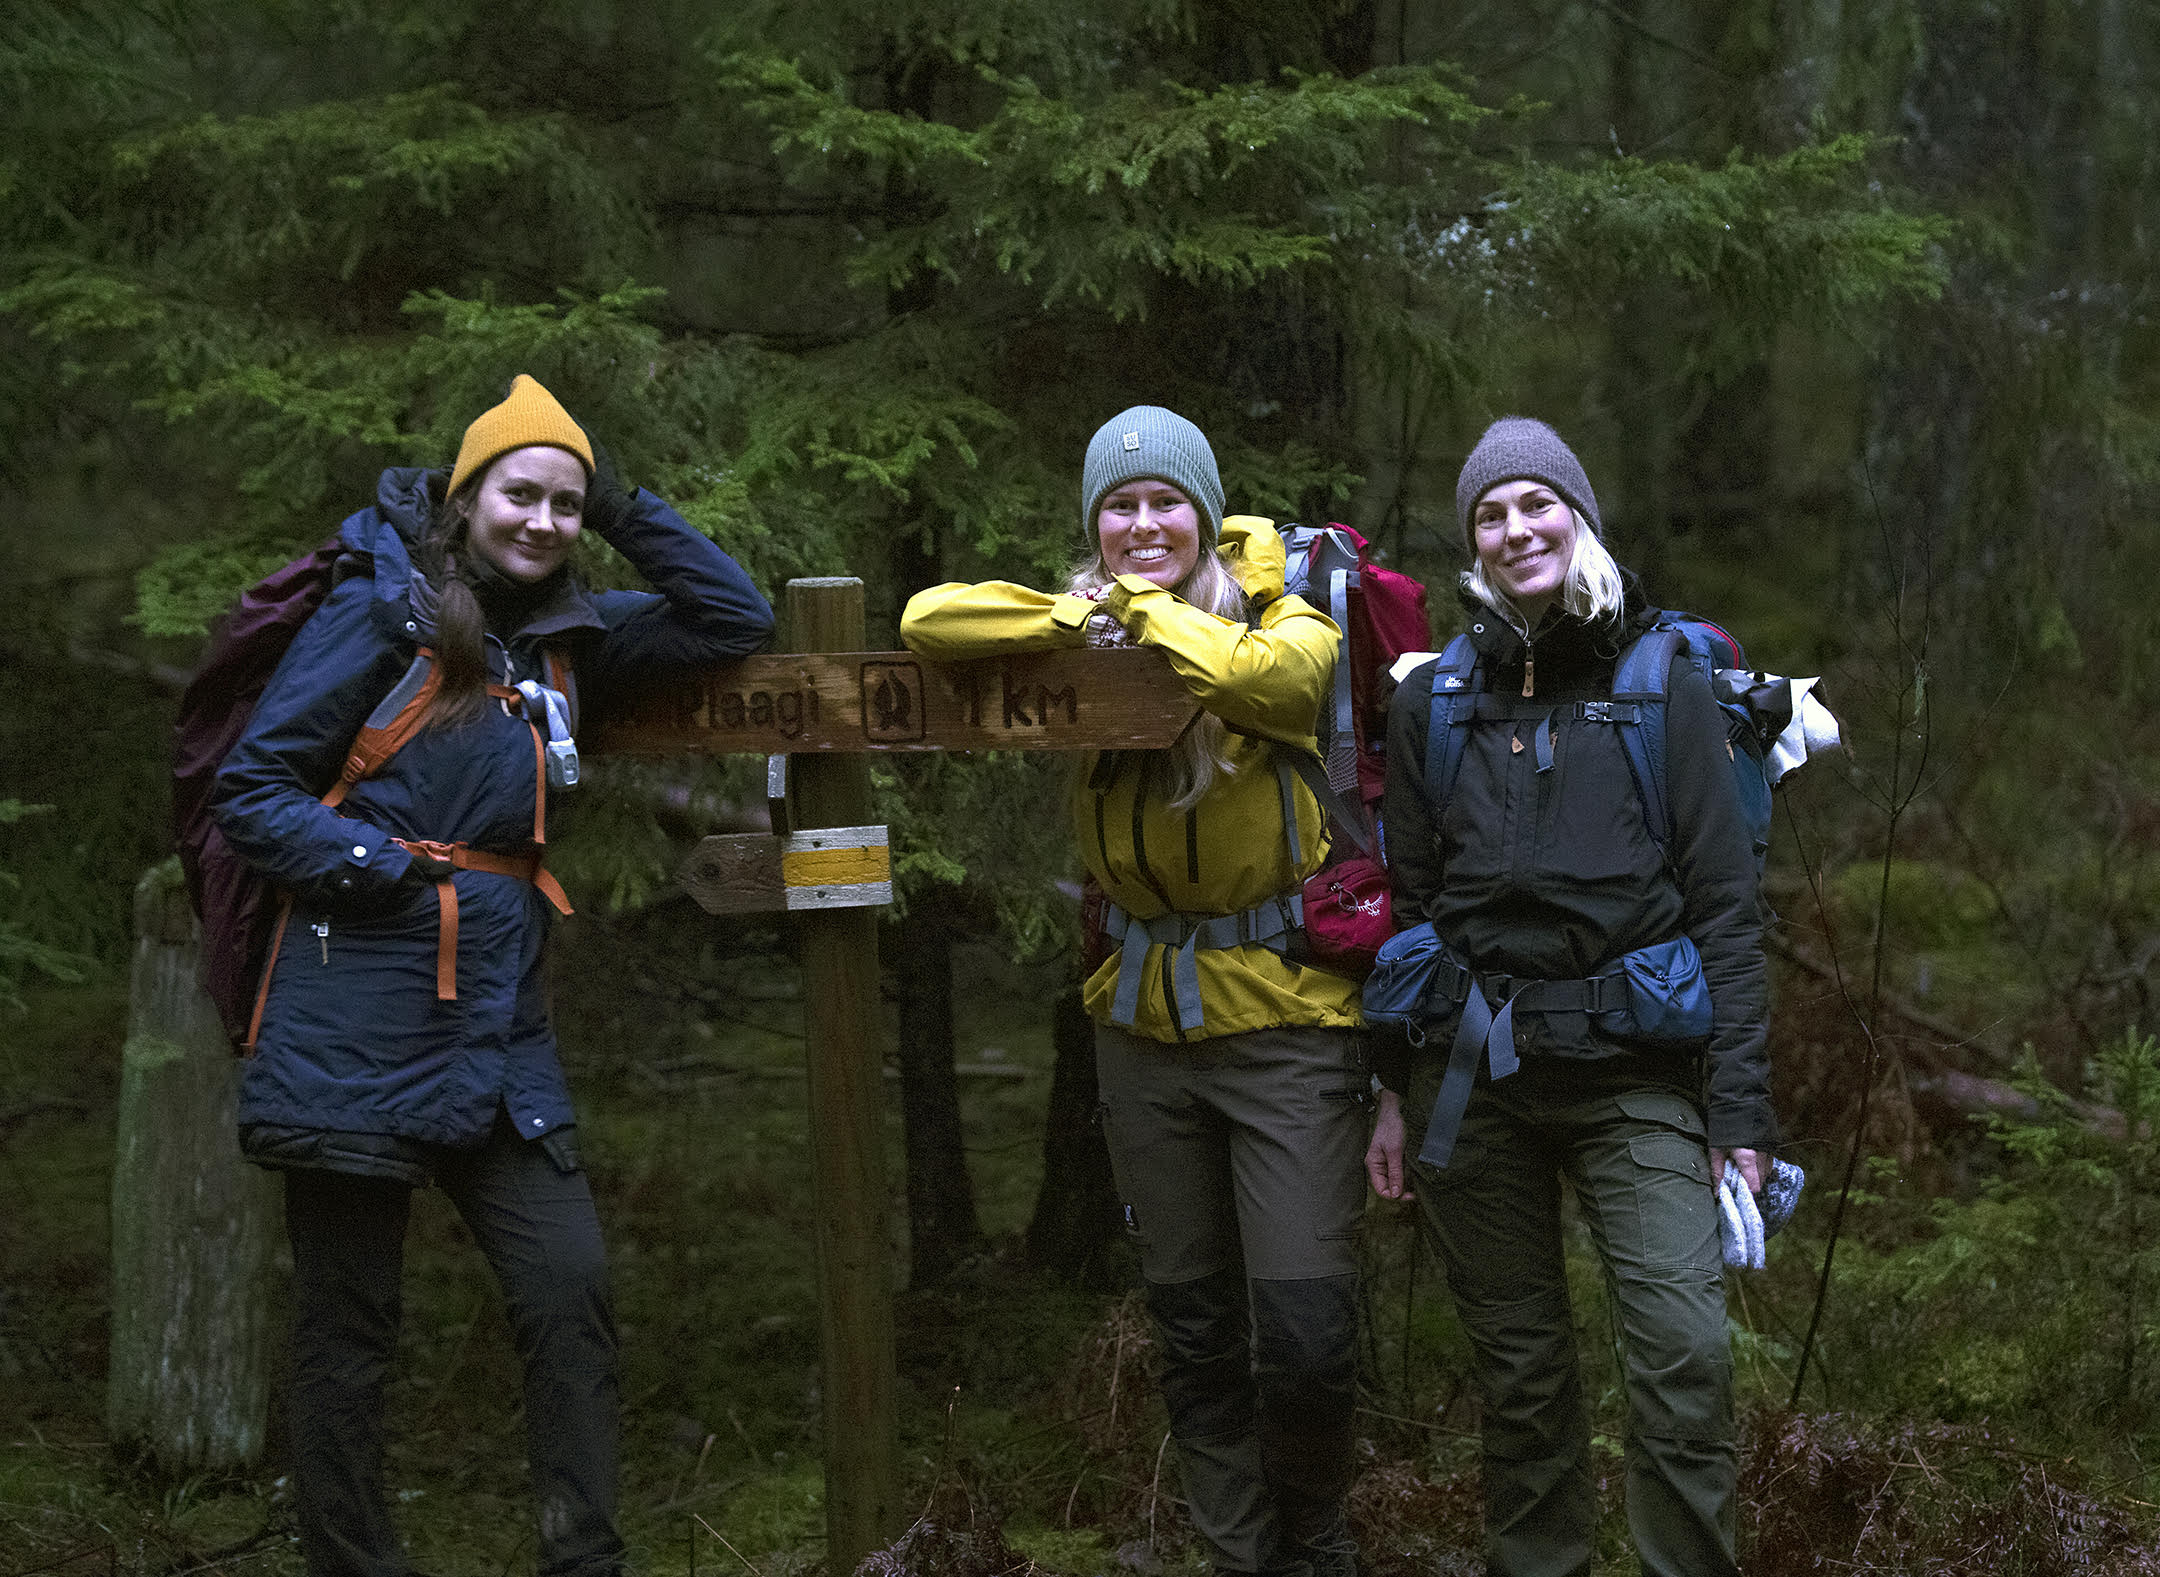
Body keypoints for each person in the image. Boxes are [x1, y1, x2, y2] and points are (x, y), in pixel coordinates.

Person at [213, 374, 774, 1577]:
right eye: (521, 492)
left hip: (498, 1035)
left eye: (565, 504)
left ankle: (585, 1562)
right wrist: (394, 872)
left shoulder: (577, 638)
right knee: (347, 1330)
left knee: (567, 1293)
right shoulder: (380, 614)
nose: (542, 521)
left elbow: (734, 618)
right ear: (466, 496)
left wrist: (618, 497)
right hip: (353, 1012)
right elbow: (252, 791)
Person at [901, 406, 1366, 1577]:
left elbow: (1280, 684)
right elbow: (925, 621)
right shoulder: (1083, 628)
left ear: (1205, 514)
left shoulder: (1284, 615)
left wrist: (1148, 613)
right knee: (1194, 1321)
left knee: (1304, 1334)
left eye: (1167, 503)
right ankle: (1235, 1551)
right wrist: (1077, 615)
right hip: (1140, 1024)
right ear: (1095, 521)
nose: (1143, 522)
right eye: (1121, 504)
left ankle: (1317, 1543)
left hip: (1287, 1023)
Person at [1364, 417, 1774, 1577]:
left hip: (1634, 1074)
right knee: (1521, 1372)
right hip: (1472, 1078)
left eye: (1536, 504)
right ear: (1471, 542)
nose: (1514, 529)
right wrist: (1389, 1092)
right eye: (1490, 514)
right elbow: (1409, 913)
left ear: (1578, 518)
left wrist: (1737, 1115)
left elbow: (1726, 910)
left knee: (1684, 1351)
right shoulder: (1434, 700)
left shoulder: (1661, 681)